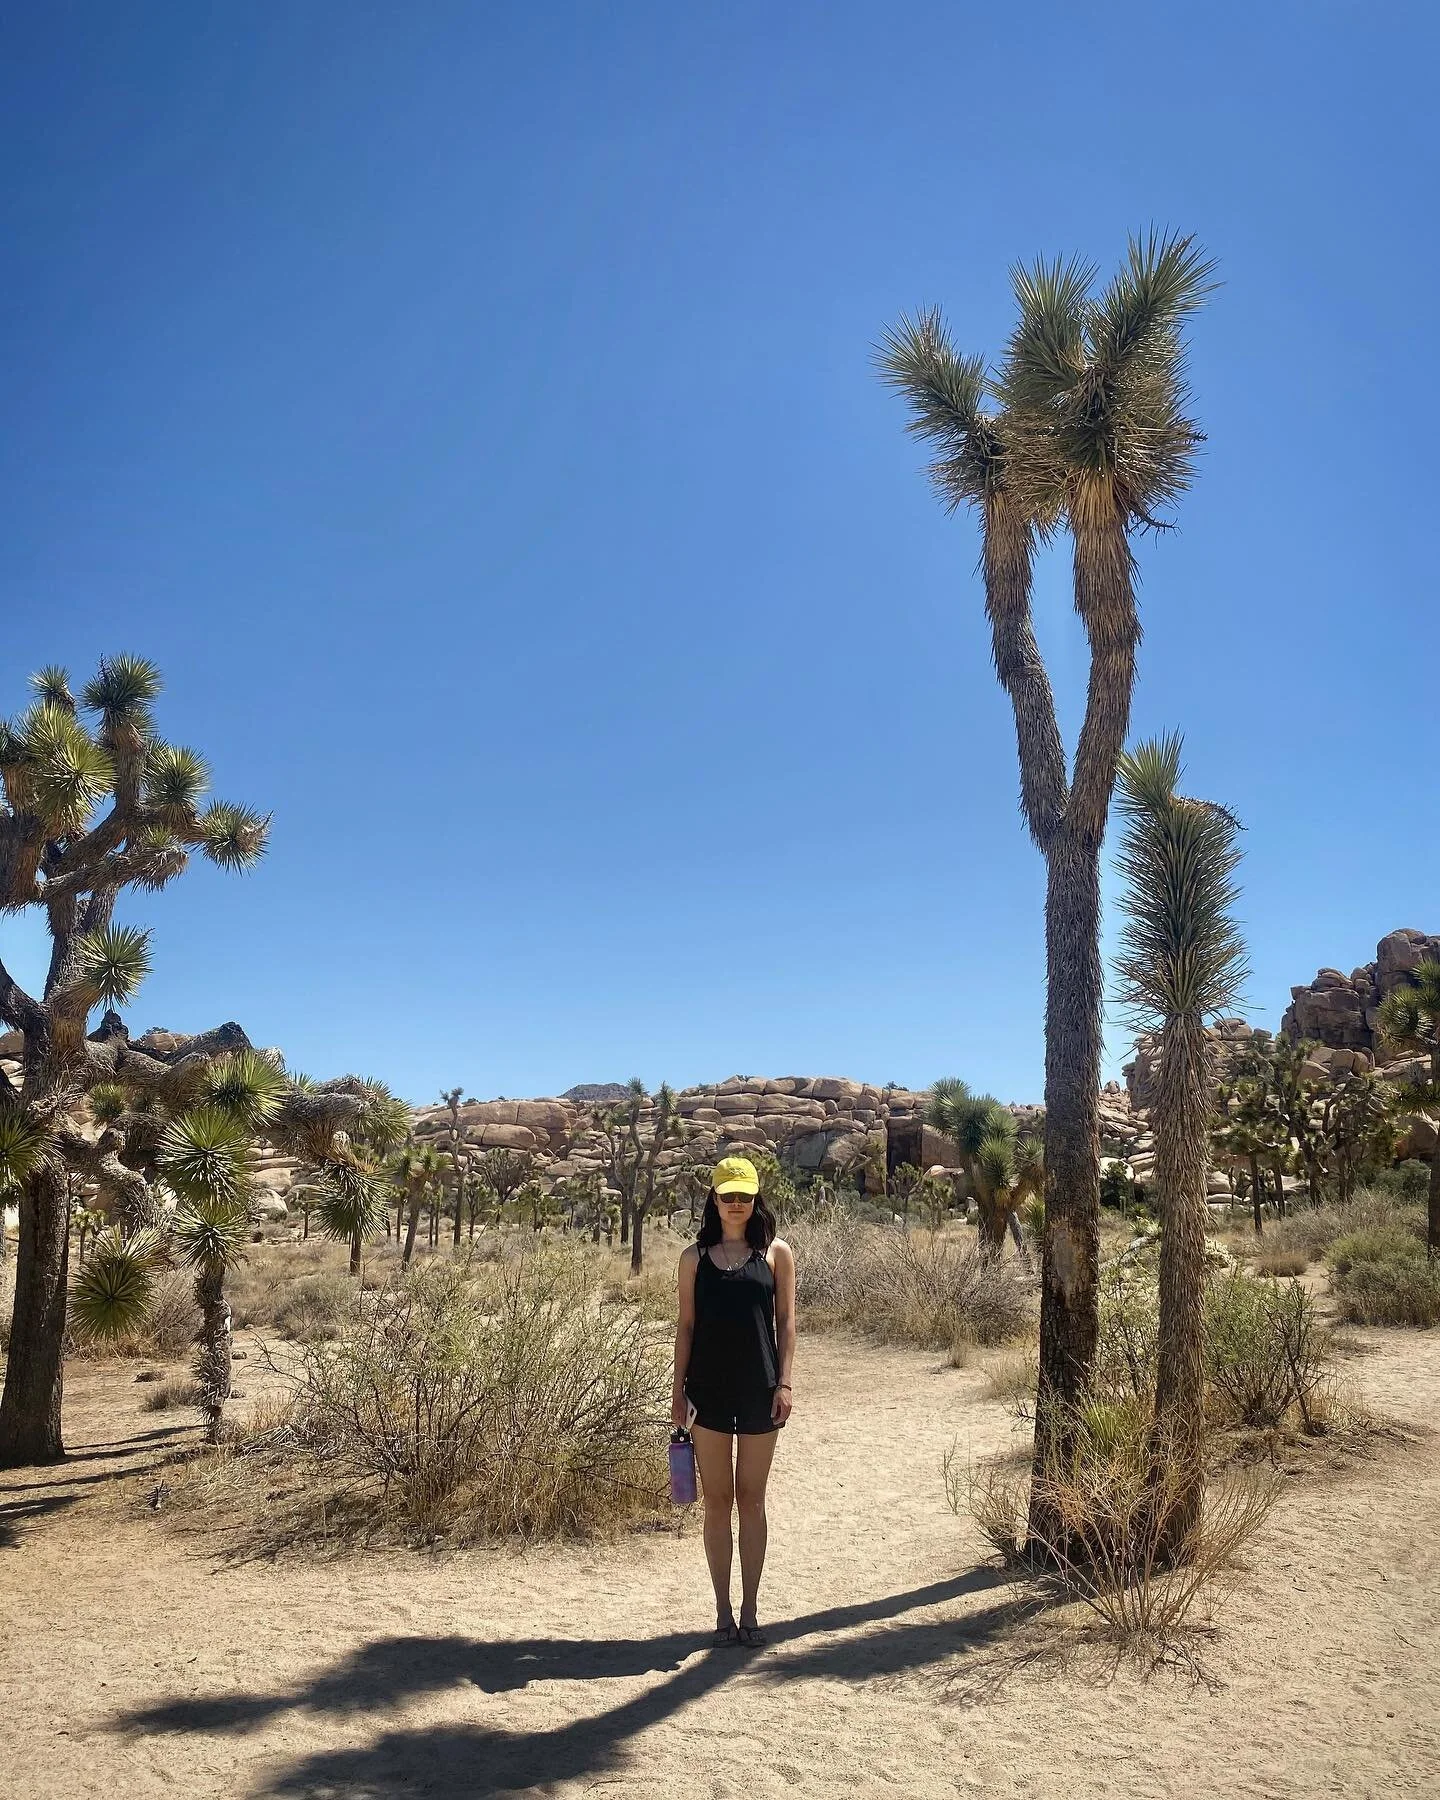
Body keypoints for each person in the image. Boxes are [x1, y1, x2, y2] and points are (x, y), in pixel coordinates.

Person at [671, 1154, 796, 1648]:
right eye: (728, 1196)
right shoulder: (693, 1258)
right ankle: (722, 1610)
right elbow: (686, 1327)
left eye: (745, 1195)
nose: (737, 1204)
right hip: (708, 1391)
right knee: (717, 1501)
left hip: (760, 1387)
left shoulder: (775, 1254)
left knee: (753, 1499)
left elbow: (786, 1323)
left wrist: (784, 1383)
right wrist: (676, 1392)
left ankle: (750, 1610)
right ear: (714, 1199)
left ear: (756, 1197)